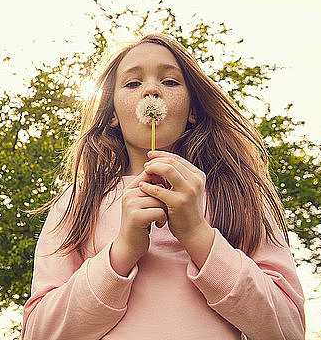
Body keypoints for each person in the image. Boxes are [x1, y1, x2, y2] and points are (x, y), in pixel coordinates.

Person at [20, 33, 306, 339]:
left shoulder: (241, 197)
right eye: (133, 84)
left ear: (193, 109)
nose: (152, 90)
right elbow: (39, 331)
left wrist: (197, 234)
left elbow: (288, 329)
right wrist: (122, 252)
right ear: (113, 113)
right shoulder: (76, 202)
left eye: (169, 82)